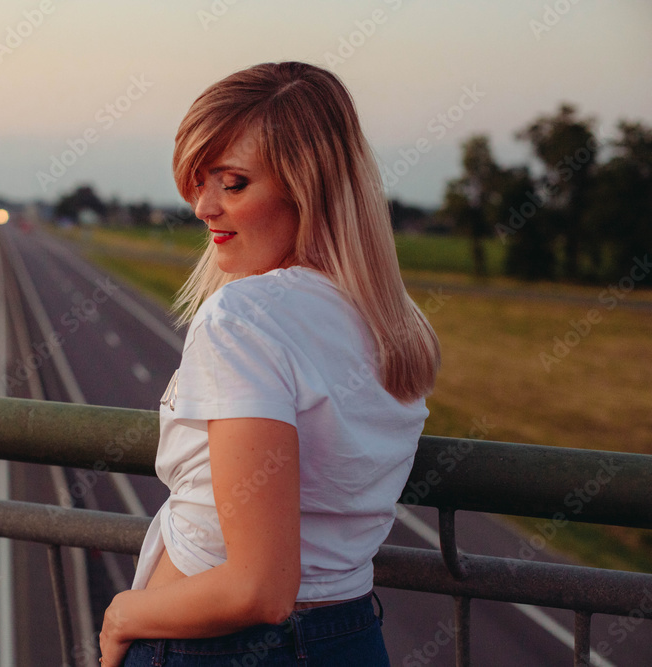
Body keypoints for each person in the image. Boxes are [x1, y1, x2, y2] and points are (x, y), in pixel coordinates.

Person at [99, 61, 440, 666]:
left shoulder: (244, 318)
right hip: (351, 637)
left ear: (307, 189)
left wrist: (124, 612)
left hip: (215, 649)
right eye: (198, 182)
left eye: (232, 184)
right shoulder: (390, 317)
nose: (203, 207)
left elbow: (258, 588)